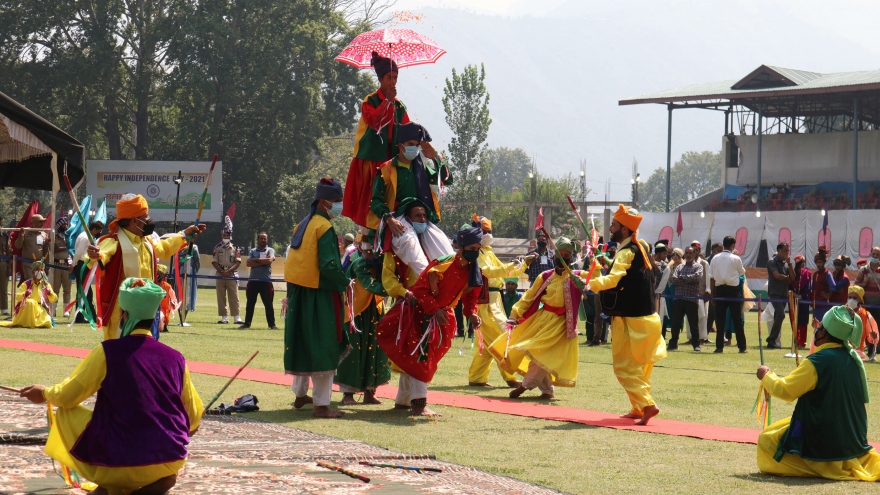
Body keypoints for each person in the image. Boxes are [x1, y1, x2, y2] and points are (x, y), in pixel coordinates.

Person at [19, 277, 203, 494]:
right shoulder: (176, 359)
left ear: (124, 316)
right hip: (169, 460)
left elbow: (68, 396)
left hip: (117, 460)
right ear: (154, 317)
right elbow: (194, 419)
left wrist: (45, 393)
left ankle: (110, 485)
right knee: (162, 461)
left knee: (67, 412)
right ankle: (157, 480)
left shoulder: (107, 352)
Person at [756, 305, 880, 481]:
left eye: (820, 327)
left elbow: (785, 391)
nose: (817, 329)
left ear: (825, 334)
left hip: (825, 437)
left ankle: (821, 466)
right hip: (853, 441)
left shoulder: (817, 362)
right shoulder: (853, 358)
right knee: (778, 429)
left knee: (767, 441)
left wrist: (766, 376)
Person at [376, 225, 483, 416]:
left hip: (443, 319)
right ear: (462, 247)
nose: (475, 253)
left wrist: (472, 314)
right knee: (422, 358)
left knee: (416, 357)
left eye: (478, 249)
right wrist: (433, 310)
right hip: (420, 315)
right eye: (472, 249)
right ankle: (419, 404)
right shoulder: (442, 264)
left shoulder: (475, 271)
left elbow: (471, 298)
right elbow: (419, 290)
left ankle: (402, 401)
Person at [86, 194, 205, 340]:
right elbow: (98, 257)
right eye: (145, 216)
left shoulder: (147, 241)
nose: (149, 219)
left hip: (148, 310)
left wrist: (184, 235)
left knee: (147, 353)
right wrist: (93, 256)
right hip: (122, 314)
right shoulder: (113, 241)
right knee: (121, 355)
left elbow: (164, 248)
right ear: (135, 220)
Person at [589, 205, 666, 425]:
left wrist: (590, 284)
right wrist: (609, 265)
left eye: (614, 224)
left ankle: (648, 405)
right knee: (640, 368)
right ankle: (638, 407)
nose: (611, 227)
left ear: (624, 230)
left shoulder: (626, 251)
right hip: (648, 319)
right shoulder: (640, 249)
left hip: (630, 320)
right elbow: (625, 276)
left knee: (624, 367)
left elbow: (613, 281)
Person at [285, 178, 351, 418]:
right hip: (320, 294)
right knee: (324, 345)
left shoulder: (303, 223)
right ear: (324, 202)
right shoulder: (324, 227)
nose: (339, 207)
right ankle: (322, 405)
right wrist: (346, 282)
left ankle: (301, 395)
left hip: (300, 293)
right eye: (337, 202)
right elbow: (329, 265)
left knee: (303, 343)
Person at [491, 237, 584, 400]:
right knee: (537, 353)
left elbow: (595, 280)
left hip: (562, 324)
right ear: (554, 256)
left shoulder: (577, 276)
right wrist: (514, 315)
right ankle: (547, 390)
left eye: (567, 255)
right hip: (542, 320)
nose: (563, 258)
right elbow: (528, 297)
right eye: (560, 255)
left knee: (541, 354)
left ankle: (524, 386)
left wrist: (598, 265)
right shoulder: (545, 276)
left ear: (572, 257)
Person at [342, 51, 411, 231]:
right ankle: (368, 235)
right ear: (380, 79)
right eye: (389, 77)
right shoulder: (370, 100)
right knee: (370, 200)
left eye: (395, 77)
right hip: (372, 160)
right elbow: (374, 123)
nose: (393, 81)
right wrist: (386, 102)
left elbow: (407, 130)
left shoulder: (400, 105)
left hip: (392, 160)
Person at [468, 216, 527, 388]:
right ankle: (510, 377)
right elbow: (488, 272)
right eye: (484, 232)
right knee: (500, 338)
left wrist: (523, 264)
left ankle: (477, 378)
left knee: (487, 344)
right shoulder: (475, 253)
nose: (487, 235)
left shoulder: (489, 251)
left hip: (495, 301)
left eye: (489, 232)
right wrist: (511, 266)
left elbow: (505, 273)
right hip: (484, 303)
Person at [335, 232, 391, 405]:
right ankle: (348, 395)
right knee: (354, 351)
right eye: (367, 250)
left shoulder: (381, 264)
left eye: (373, 251)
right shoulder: (359, 263)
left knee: (374, 351)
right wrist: (395, 289)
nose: (370, 254)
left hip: (374, 311)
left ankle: (369, 393)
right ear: (360, 247)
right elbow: (370, 284)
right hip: (356, 314)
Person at [368, 122, 452, 238]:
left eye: (417, 145)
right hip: (396, 224)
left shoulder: (422, 169)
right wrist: (389, 219)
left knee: (444, 250)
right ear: (400, 145)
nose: (414, 147)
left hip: (421, 222)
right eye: (411, 144)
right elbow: (375, 201)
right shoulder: (386, 170)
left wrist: (435, 158)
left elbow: (447, 180)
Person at [710, 236, 747, 353]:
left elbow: (712, 278)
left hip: (719, 289)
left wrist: (713, 295)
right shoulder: (736, 258)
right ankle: (742, 347)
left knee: (720, 320)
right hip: (733, 290)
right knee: (737, 319)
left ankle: (719, 347)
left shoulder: (715, 258)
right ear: (733, 245)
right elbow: (742, 272)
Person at [0, 260, 56, 328]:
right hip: (27, 308)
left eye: (41, 270)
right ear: (32, 272)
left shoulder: (46, 284)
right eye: (37, 270)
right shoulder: (26, 284)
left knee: (47, 322)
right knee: (30, 302)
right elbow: (17, 297)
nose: (39, 272)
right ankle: (28, 322)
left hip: (40, 309)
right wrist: (25, 294)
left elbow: (54, 299)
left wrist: (50, 293)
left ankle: (35, 322)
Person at [239, 232, 277, 329]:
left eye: (265, 238)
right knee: (250, 303)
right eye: (261, 238)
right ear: (258, 239)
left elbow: (269, 261)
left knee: (268, 304)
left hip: (265, 282)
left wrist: (255, 260)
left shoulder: (270, 250)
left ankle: (272, 325)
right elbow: (248, 263)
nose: (263, 240)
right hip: (253, 281)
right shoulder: (252, 250)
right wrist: (263, 262)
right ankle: (247, 323)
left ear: (267, 240)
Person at [669, 246, 703, 352]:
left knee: (693, 324)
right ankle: (673, 343)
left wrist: (682, 277)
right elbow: (673, 279)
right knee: (675, 323)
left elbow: (696, 278)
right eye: (687, 253)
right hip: (678, 299)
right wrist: (687, 278)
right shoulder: (679, 267)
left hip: (691, 299)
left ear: (694, 254)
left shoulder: (698, 266)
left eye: (690, 253)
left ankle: (696, 344)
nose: (688, 255)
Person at [72, 221, 104, 324]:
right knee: (85, 292)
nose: (98, 233)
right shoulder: (86, 237)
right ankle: (90, 316)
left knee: (84, 291)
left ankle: (81, 316)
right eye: (98, 231)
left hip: (84, 265)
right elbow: (79, 253)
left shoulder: (85, 235)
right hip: (82, 265)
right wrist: (73, 265)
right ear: (94, 229)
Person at [212, 220, 242, 325]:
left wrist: (228, 271)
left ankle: (237, 317)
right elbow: (214, 261)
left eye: (227, 235)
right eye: (224, 235)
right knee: (221, 297)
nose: (225, 236)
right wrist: (221, 271)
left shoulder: (236, 248)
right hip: (220, 274)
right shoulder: (217, 248)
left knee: (234, 296)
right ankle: (224, 317)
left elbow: (238, 262)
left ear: (230, 236)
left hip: (232, 274)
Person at [766, 242, 795, 349]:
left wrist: (790, 264)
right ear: (779, 251)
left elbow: (793, 277)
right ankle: (772, 338)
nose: (787, 253)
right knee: (781, 314)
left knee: (777, 316)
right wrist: (787, 277)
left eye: (788, 251)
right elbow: (777, 276)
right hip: (775, 293)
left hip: (783, 293)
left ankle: (772, 341)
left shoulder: (785, 263)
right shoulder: (772, 261)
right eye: (785, 251)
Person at [848, 286, 879, 361]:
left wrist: (874, 337)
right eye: (849, 297)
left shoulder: (866, 315)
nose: (851, 300)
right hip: (842, 349)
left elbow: (873, 335)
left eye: (854, 298)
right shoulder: (840, 311)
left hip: (858, 351)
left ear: (860, 300)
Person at [50, 217, 73, 317]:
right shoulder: (54, 236)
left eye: (67, 224)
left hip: (67, 264)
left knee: (67, 289)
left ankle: (66, 310)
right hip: (56, 265)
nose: (66, 226)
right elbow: (53, 250)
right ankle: (53, 309)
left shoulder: (70, 236)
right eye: (64, 225)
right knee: (55, 288)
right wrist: (66, 247)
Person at [15, 213, 48, 281]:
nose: (43, 223)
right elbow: (17, 246)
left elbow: (46, 251)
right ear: (34, 222)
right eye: (40, 221)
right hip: (28, 263)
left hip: (39, 263)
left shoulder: (44, 234)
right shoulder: (26, 231)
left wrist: (46, 265)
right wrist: (21, 236)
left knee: (39, 283)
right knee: (30, 282)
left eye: (43, 222)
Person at [855, 246, 880, 336]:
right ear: (870, 254)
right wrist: (863, 284)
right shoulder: (863, 270)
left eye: (877, 255)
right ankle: (869, 346)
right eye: (873, 254)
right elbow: (855, 286)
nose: (875, 256)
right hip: (866, 304)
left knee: (878, 326)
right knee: (866, 327)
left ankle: (877, 347)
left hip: (878, 305)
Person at [690, 241, 711, 345]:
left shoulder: (704, 263)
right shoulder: (686, 262)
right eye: (692, 250)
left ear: (699, 251)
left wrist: (708, 291)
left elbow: (708, 278)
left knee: (702, 316)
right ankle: (691, 338)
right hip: (689, 294)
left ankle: (701, 338)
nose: (694, 252)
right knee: (690, 316)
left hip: (701, 293)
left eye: (696, 250)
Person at [810, 247, 836, 323]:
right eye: (817, 262)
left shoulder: (827, 273)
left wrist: (828, 295)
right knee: (815, 326)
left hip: (823, 305)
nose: (818, 264)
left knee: (822, 326)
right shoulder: (815, 274)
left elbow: (833, 286)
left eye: (820, 262)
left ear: (824, 262)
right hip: (815, 305)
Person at [792, 254, 812, 349]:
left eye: (803, 262)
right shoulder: (792, 273)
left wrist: (803, 297)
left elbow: (808, 288)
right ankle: (795, 341)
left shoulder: (807, 273)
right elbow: (789, 287)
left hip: (804, 299)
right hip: (793, 299)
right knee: (794, 321)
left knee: (803, 322)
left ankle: (802, 342)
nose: (802, 265)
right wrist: (795, 295)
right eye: (800, 263)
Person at [156, 264, 177, 333]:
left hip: (162, 311)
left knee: (160, 319)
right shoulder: (150, 284)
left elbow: (173, 298)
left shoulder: (167, 287)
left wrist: (173, 303)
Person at [0, 217, 9, 315]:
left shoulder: (5, 236)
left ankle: (4, 309)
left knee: (3, 287)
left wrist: (9, 267)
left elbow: (9, 251)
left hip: (3, 262)